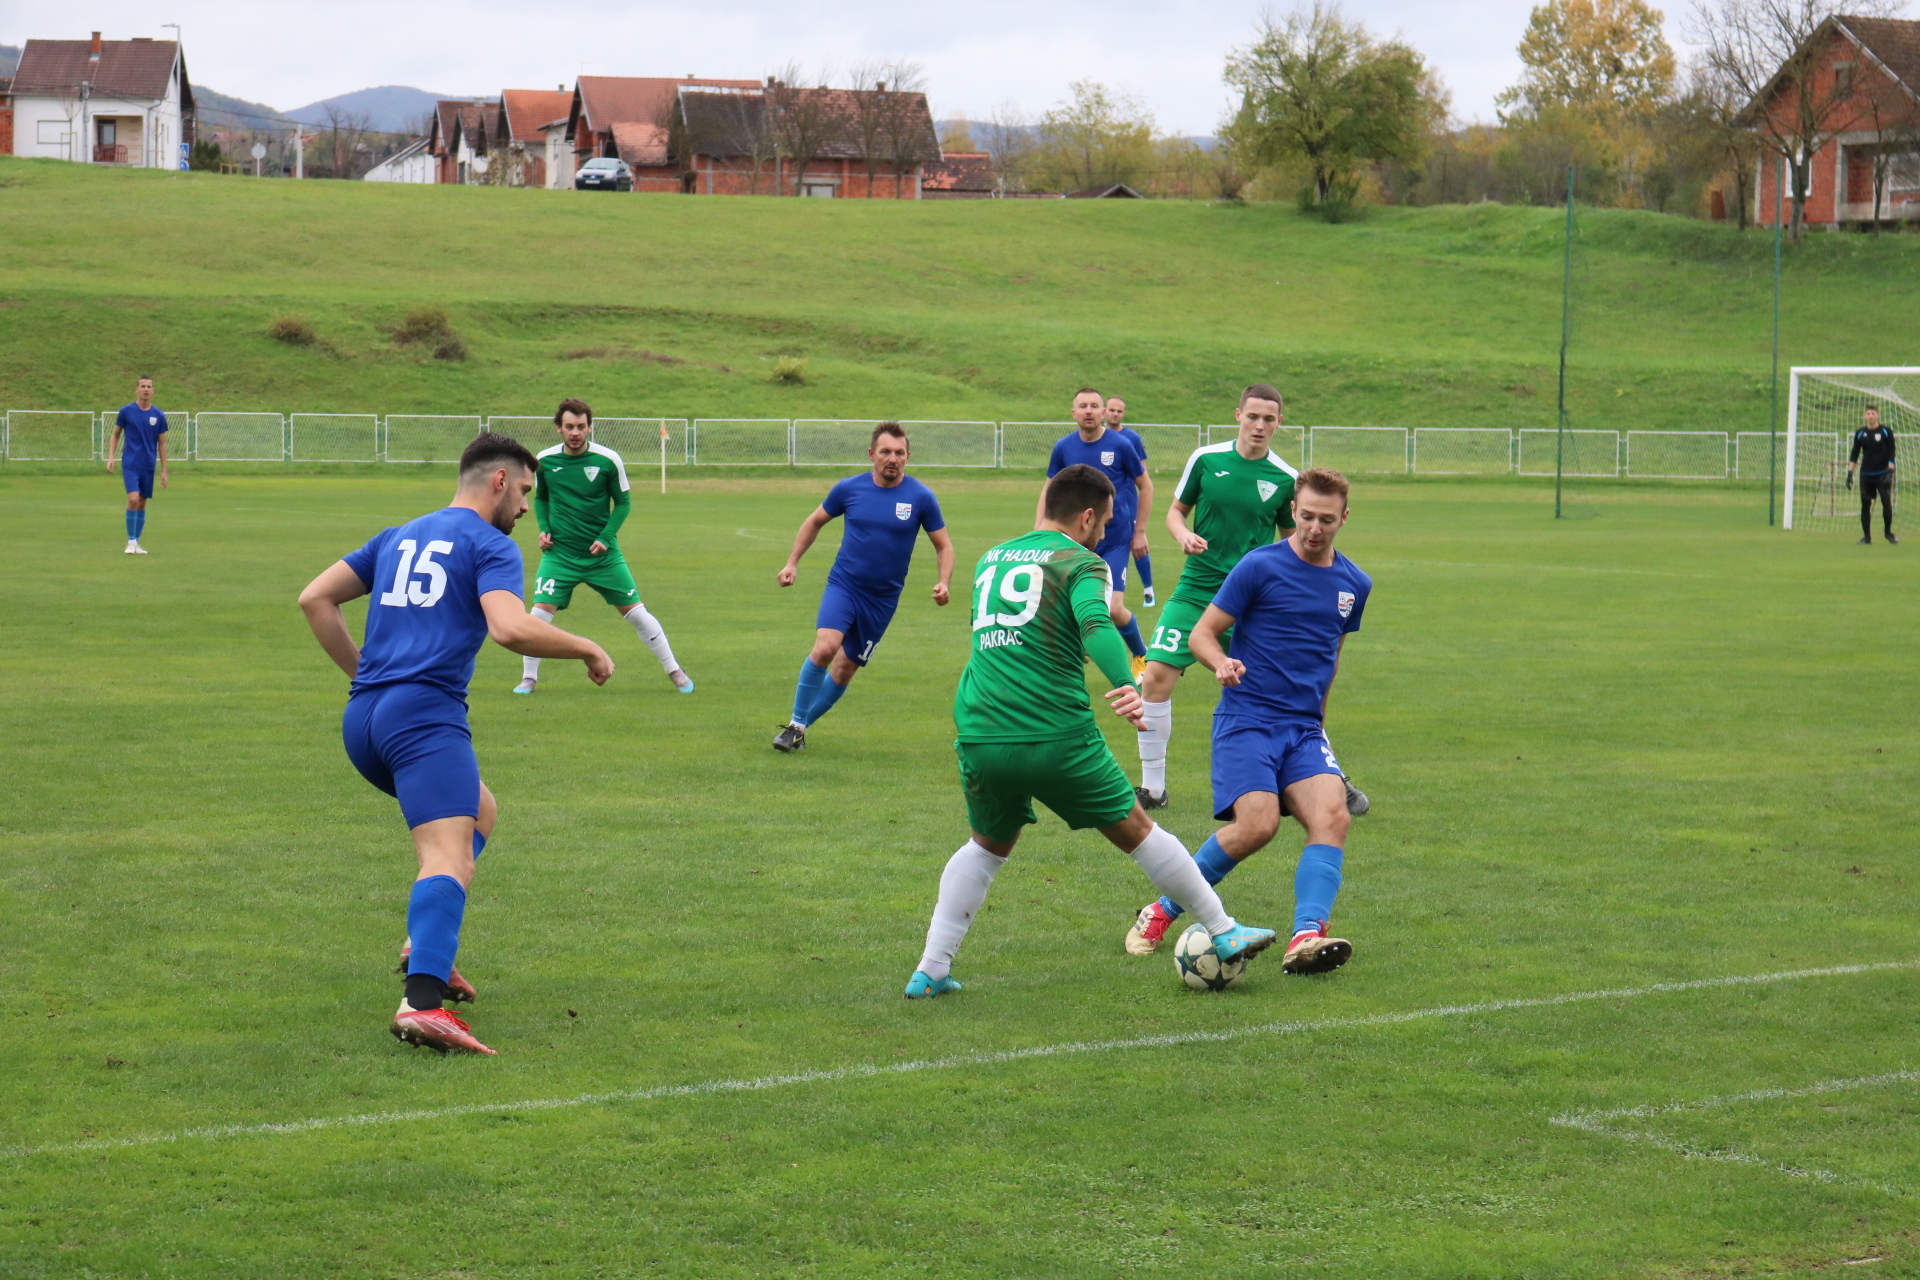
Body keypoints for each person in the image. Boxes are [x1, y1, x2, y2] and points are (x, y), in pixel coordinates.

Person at [905, 464, 1277, 998]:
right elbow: (1097, 623)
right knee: (1139, 830)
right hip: (1052, 730)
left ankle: (931, 970)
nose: (1105, 534)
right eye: (1103, 524)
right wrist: (1130, 678)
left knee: (987, 845)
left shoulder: (991, 558)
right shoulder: (1082, 561)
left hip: (980, 728)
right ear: (1085, 518)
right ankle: (1223, 929)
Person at [298, 433, 615, 1055]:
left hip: (365, 719)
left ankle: (429, 947)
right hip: (423, 720)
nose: (526, 506)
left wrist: (366, 676)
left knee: (481, 809)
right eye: (524, 491)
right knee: (447, 854)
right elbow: (508, 628)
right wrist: (589, 647)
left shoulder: (398, 535)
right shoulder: (488, 543)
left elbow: (315, 599)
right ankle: (421, 1004)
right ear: (498, 481)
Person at [1124, 468, 1370, 976]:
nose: (1314, 528)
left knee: (1333, 819)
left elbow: (1332, 654)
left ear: (1344, 518)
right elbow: (1202, 634)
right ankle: (1161, 910)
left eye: (1326, 519)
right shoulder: (1260, 566)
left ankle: (1306, 937)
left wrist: (1320, 726)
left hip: (1303, 730)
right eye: (1305, 516)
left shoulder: (1354, 584)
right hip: (1248, 718)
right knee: (1256, 826)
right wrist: (1220, 663)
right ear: (1294, 512)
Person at [773, 422, 955, 752]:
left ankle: (799, 731)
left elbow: (944, 545)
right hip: (844, 586)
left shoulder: (921, 497)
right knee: (826, 648)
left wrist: (944, 581)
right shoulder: (849, 489)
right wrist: (792, 562)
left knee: (843, 670)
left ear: (908, 457)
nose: (892, 458)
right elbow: (815, 521)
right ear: (872, 454)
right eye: (885, 452)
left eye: (899, 453)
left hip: (882, 601)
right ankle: (795, 724)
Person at [512, 398, 693, 695]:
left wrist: (605, 538)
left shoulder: (608, 460)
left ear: (589, 428)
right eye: (569, 426)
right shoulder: (544, 461)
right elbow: (541, 498)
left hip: (603, 557)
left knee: (636, 612)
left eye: (581, 427)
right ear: (559, 428)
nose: (575, 432)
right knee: (539, 616)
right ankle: (529, 678)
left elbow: (623, 503)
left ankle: (675, 671)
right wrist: (544, 529)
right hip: (560, 555)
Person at [1037, 388, 1152, 678]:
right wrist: (1039, 528)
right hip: (1075, 540)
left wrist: (1139, 532)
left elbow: (1146, 486)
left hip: (1114, 539)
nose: (1089, 411)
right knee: (1067, 605)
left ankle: (1140, 656)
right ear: (1073, 413)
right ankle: (1070, 659)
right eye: (1082, 406)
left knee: (1114, 608)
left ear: (1103, 413)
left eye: (1094, 406)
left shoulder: (1122, 445)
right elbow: (1049, 489)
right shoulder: (1063, 447)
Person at [1104, 395, 1157, 607]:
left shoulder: (1131, 438)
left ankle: (1149, 590)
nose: (1115, 414)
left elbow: (1142, 472)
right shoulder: (1097, 438)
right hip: (1102, 504)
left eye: (1119, 411)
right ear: (1104, 411)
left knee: (1137, 544)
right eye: (1112, 410)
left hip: (1127, 503)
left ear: (1123, 413)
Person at [107, 377, 169, 554]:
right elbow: (115, 435)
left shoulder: (158, 415)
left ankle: (136, 543)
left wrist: (164, 470)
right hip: (130, 462)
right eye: (143, 386)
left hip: (148, 464)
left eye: (149, 387)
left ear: (153, 391)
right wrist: (111, 456)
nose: (146, 389)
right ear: (136, 389)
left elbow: (162, 443)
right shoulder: (126, 411)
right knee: (133, 499)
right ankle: (131, 541)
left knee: (142, 502)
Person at [1847, 406, 1898, 545]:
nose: (1870, 416)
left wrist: (1890, 471)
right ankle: (1867, 537)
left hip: (1882, 474)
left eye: (1873, 413)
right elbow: (1854, 453)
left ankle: (1888, 533)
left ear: (1878, 416)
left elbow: (1892, 451)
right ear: (1865, 416)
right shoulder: (1860, 433)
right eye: (1868, 413)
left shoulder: (1886, 432)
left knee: (1886, 502)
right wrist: (1850, 473)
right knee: (1865, 504)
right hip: (1866, 474)